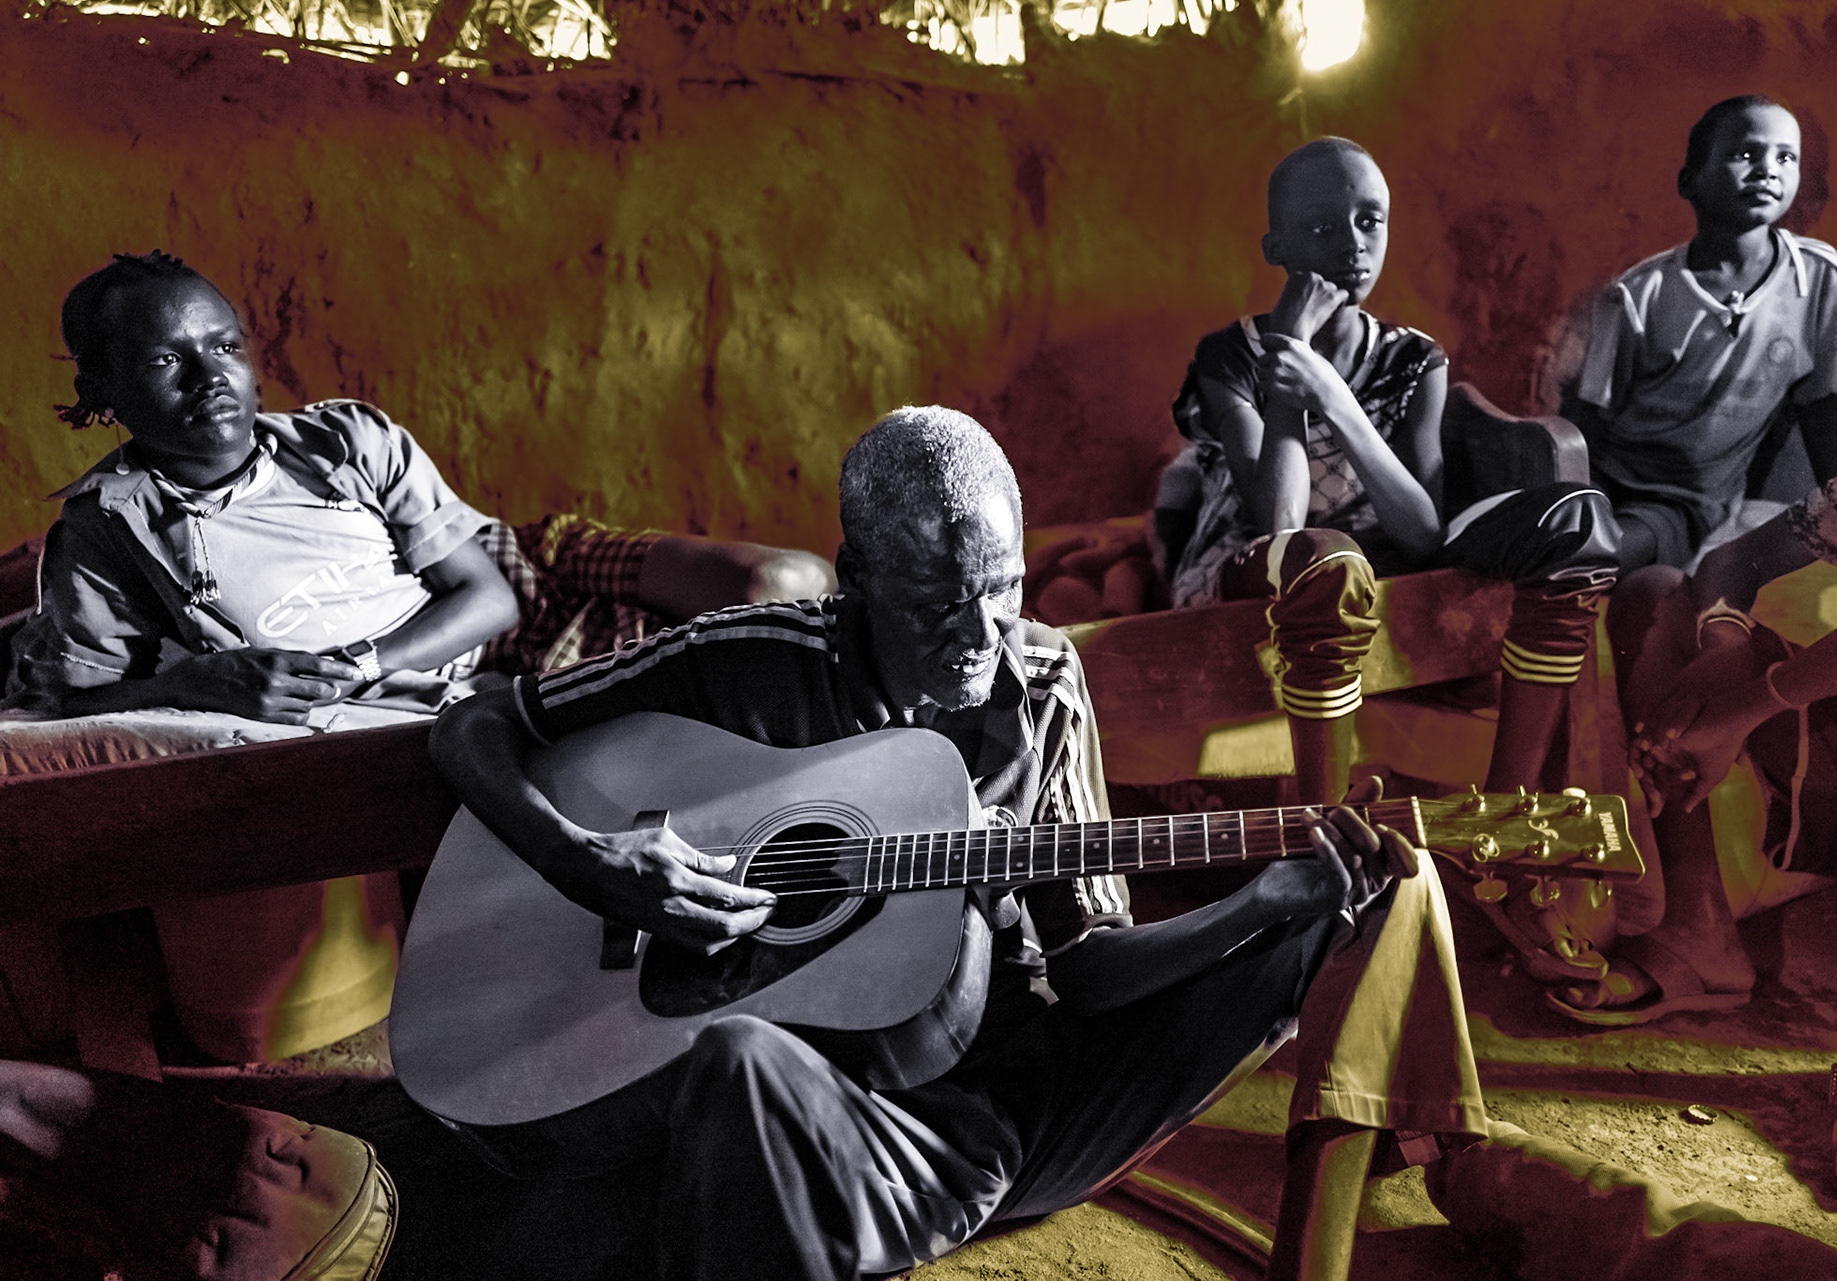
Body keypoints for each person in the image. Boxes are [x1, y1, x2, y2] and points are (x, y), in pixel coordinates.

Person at [427, 405, 1487, 1281]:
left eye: (1003, 588)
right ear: (855, 577)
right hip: (814, 1099)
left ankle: (1438, 1169)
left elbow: (1088, 964)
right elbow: (476, 720)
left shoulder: (1045, 679)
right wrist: (584, 858)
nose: (982, 638)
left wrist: (1258, 902)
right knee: (742, 1063)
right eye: (938, 605)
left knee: (1370, 894)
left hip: (1001, 1105)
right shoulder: (753, 661)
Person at [4, 251, 834, 723]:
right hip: (468, 677)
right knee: (735, 692)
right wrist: (187, 682)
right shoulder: (112, 527)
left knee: (787, 586)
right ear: (104, 390)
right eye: (165, 360)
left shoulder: (340, 439)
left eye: (224, 347)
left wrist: (360, 665)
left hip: (521, 572)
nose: (210, 377)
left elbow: (492, 595)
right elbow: (66, 697)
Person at [1163, 138, 1620, 808]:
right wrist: (1289, 353)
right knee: (1323, 557)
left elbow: (1422, 532)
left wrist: (1333, 396)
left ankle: (1508, 807)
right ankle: (1324, 825)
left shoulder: (1413, 359)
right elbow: (1280, 523)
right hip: (1253, 568)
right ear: (1276, 248)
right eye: (1323, 228)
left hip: (1373, 562)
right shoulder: (1231, 354)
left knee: (1579, 519)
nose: (1354, 244)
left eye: (1369, 221)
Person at [1561, 423, 1837, 1206]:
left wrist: (1755, 701)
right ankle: (1700, 931)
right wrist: (1726, 649)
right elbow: (1739, 560)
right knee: (1656, 597)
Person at [1560, 95, 1837, 573]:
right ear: (1690, 182)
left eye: (1786, 157)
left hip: (1684, 502)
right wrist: (1579, 502)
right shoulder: (1636, 294)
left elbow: (1827, 411)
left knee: (1599, 555)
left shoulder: (1819, 279)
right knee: (1549, 534)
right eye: (1746, 154)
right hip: (1606, 480)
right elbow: (1586, 420)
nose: (1767, 170)